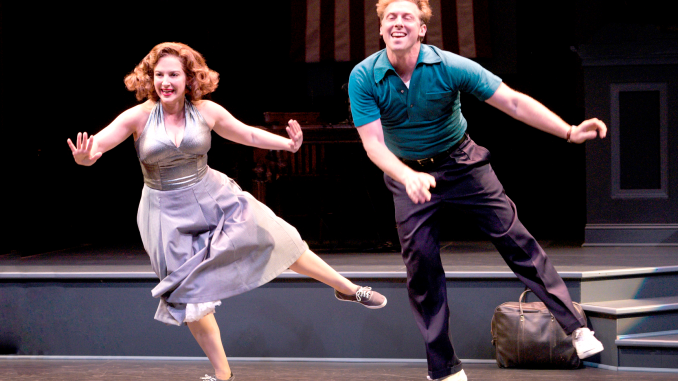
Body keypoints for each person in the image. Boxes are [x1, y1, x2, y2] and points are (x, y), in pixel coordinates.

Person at [67, 42, 386, 381]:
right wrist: (85, 156)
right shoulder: (138, 117)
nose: (165, 82)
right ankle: (223, 375)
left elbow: (246, 133)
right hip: (164, 214)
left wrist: (287, 144)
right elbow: (97, 147)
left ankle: (347, 288)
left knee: (278, 236)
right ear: (150, 78)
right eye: (159, 75)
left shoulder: (206, 110)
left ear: (190, 78)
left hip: (212, 195)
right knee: (188, 296)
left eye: (173, 74)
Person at [348, 1, 606, 380]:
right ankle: (443, 368)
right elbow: (373, 145)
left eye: (407, 17)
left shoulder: (450, 66)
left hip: (461, 162)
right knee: (421, 267)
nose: (398, 22)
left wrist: (568, 131)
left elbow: (513, 102)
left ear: (421, 29)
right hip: (408, 175)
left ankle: (576, 327)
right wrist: (407, 177)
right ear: (382, 28)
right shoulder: (364, 76)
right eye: (391, 17)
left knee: (514, 238)